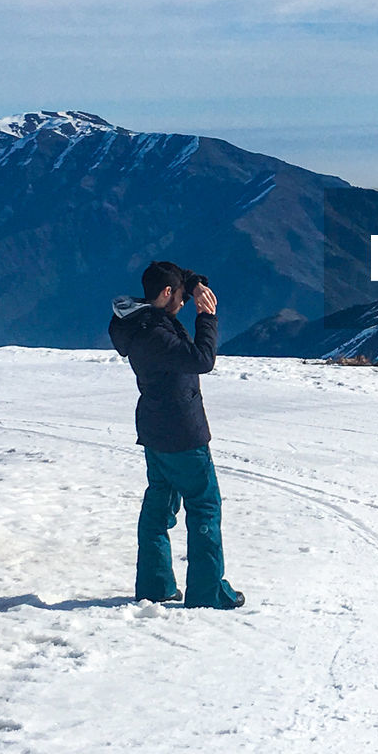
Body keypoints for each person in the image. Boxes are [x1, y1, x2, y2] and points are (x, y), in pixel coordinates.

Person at [109, 260, 244, 610]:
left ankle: (155, 585)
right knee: (203, 506)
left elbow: (174, 275)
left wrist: (195, 282)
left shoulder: (137, 322)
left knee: (159, 505)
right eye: (181, 296)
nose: (184, 302)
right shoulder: (157, 335)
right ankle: (207, 591)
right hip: (182, 432)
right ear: (166, 293)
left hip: (155, 431)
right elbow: (202, 359)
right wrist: (206, 318)